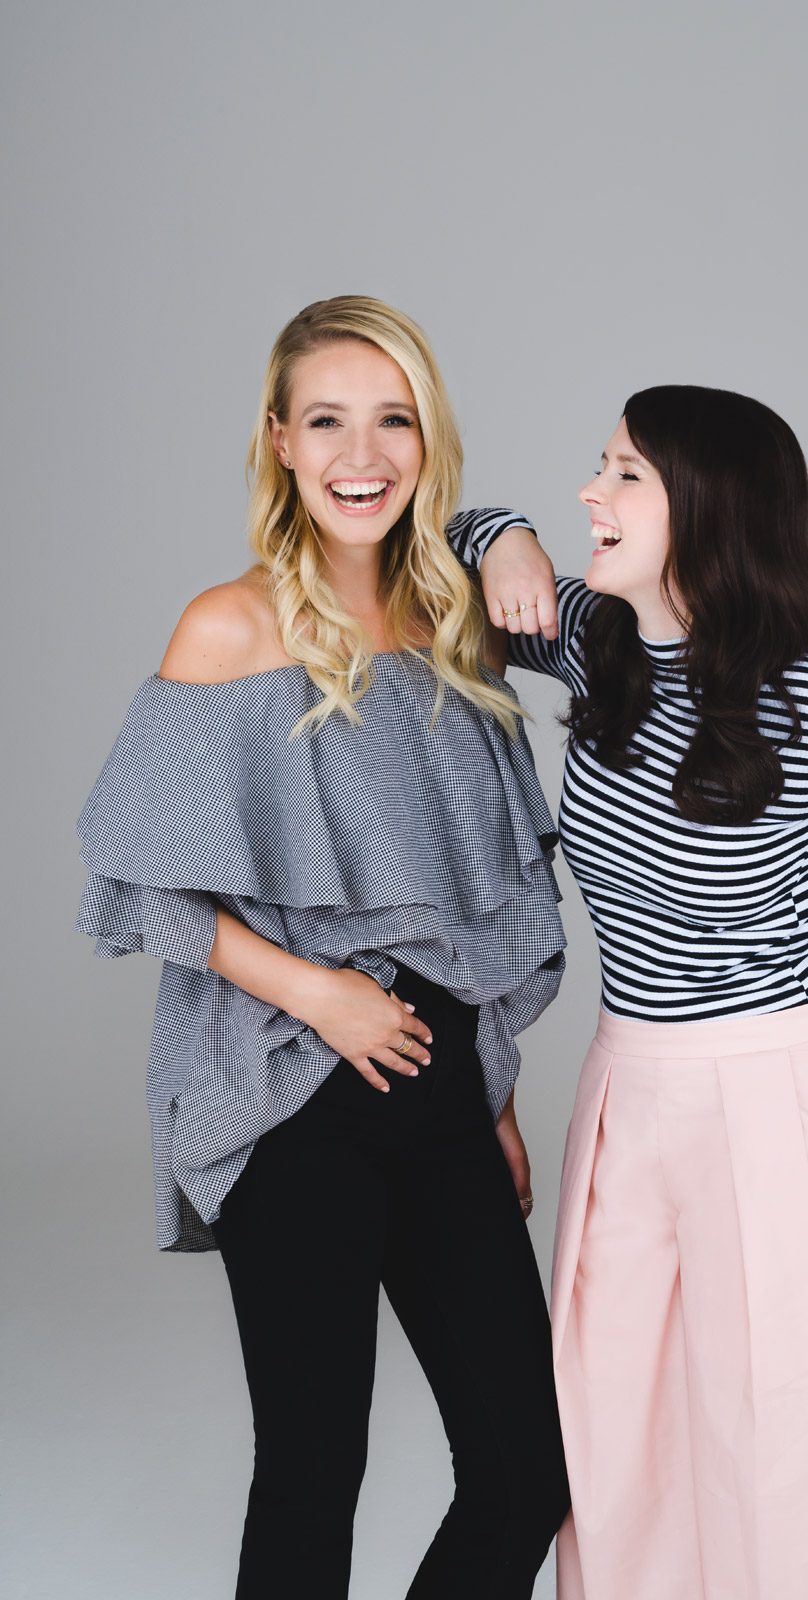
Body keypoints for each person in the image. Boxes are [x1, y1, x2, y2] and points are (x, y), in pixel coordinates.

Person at [449, 385, 808, 1600]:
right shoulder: (593, 637)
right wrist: (504, 536)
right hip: (626, 1091)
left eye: (623, 473)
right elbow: (419, 545)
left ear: (707, 504)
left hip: (778, 1100)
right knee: (612, 1438)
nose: (590, 492)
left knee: (780, 1457)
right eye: (597, 466)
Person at [75, 296, 570, 1599]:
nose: (362, 455)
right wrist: (320, 996)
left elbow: (470, 901)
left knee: (524, 1473)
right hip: (293, 1085)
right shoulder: (227, 629)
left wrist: (492, 1090)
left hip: (444, 1083)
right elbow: (139, 887)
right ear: (279, 441)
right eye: (328, 421)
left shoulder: (456, 625)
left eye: (392, 420)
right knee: (313, 1471)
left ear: (427, 440)